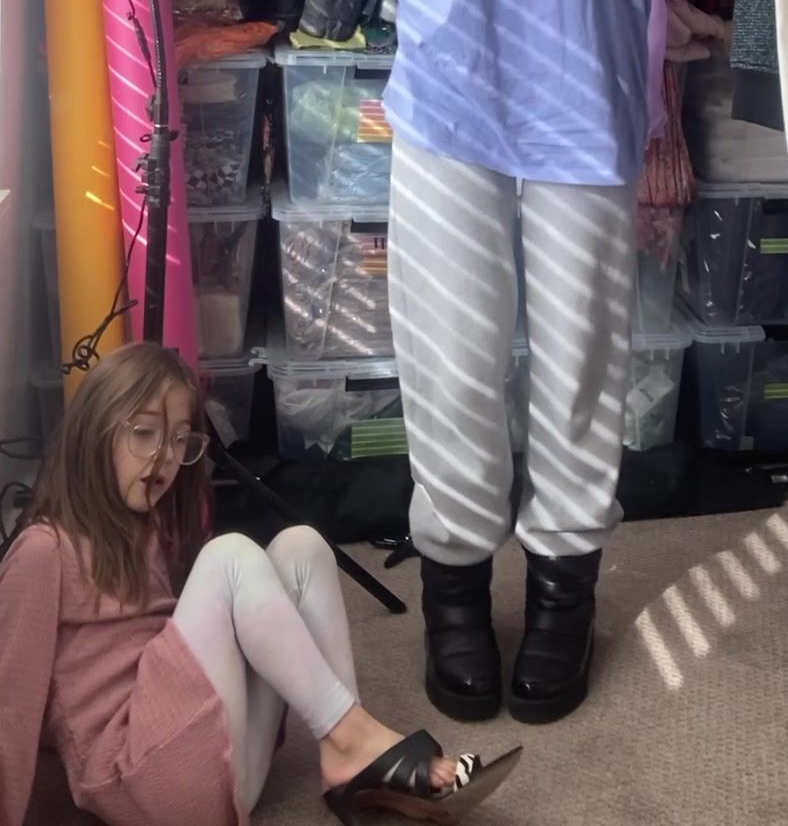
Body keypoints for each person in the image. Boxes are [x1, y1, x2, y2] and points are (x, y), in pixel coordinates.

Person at [257, 0, 721, 728]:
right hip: (454, 113)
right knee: (454, 369)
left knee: (578, 369)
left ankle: (564, 599)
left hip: (583, 116)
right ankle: (457, 598)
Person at [0, 342, 519, 825]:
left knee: (302, 547)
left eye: (180, 439)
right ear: (94, 431)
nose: (165, 458)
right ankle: (354, 736)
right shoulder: (45, 548)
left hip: (221, 773)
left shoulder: (148, 526)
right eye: (144, 433)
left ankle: (349, 761)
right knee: (229, 556)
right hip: (137, 781)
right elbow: (10, 703)